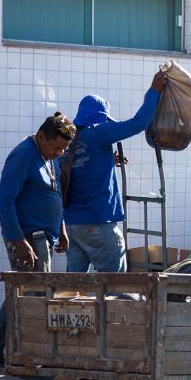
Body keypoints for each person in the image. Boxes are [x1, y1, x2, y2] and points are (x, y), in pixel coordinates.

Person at [0, 113, 75, 368]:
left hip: (43, 237)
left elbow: (54, 193)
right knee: (32, 295)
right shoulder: (23, 156)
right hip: (28, 238)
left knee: (28, 293)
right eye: (55, 147)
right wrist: (19, 241)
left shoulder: (46, 157)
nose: (59, 153)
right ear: (41, 137)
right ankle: (7, 348)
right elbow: (4, 201)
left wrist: (61, 229)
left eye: (63, 149)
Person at [64, 71, 166, 273]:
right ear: (99, 118)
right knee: (115, 285)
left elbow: (79, 168)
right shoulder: (96, 132)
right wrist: (154, 91)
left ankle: (69, 306)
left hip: (72, 226)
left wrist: (108, 160)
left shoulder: (71, 141)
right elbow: (137, 124)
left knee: (74, 286)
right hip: (98, 223)